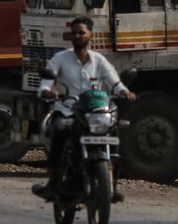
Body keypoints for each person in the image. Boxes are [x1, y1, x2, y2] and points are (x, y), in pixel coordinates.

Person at [32, 16, 135, 201]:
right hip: (67, 111)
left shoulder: (99, 60)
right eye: (75, 33)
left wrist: (125, 92)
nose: (78, 36)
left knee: (115, 132)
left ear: (90, 35)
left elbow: (114, 82)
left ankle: (112, 185)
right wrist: (48, 92)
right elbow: (45, 84)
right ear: (71, 37)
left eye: (82, 32)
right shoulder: (60, 59)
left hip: (94, 113)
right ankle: (53, 183)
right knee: (60, 132)